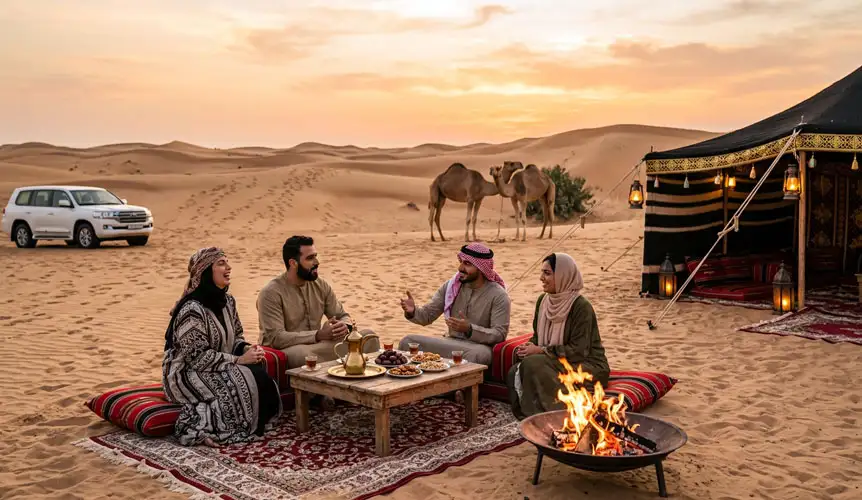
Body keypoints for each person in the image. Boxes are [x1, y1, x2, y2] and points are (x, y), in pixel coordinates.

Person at [162, 247, 282, 447]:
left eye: (227, 262)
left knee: (259, 375)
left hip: (218, 364)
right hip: (185, 372)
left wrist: (246, 349)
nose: (228, 267)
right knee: (238, 384)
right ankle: (197, 428)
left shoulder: (228, 302)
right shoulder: (192, 309)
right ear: (205, 271)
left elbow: (237, 337)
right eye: (221, 263)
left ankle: (253, 423)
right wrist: (238, 360)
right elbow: (196, 358)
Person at [507, 252, 610, 420]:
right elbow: (538, 337)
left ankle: (552, 416)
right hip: (556, 359)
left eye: (547, 273)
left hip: (586, 364)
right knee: (515, 371)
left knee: (533, 364)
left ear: (563, 276)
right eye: (542, 272)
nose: (541, 278)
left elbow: (579, 350)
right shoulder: (543, 301)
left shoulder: (581, 307)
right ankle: (530, 414)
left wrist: (541, 350)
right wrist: (529, 346)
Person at [257, 235, 379, 369]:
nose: (317, 262)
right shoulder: (271, 293)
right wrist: (318, 335)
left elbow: (342, 315)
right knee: (303, 355)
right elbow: (276, 338)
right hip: (289, 350)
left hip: (319, 346)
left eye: (315, 256)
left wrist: (344, 326)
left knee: (369, 337)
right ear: (293, 263)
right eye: (310, 258)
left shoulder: (320, 285)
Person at [398, 242, 510, 366]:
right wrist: (412, 311)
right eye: (461, 262)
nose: (460, 268)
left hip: (478, 347)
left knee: (477, 355)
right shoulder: (452, 286)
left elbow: (499, 334)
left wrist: (470, 329)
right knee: (407, 341)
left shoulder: (498, 295)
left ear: (481, 268)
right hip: (450, 342)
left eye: (467, 264)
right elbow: (427, 316)